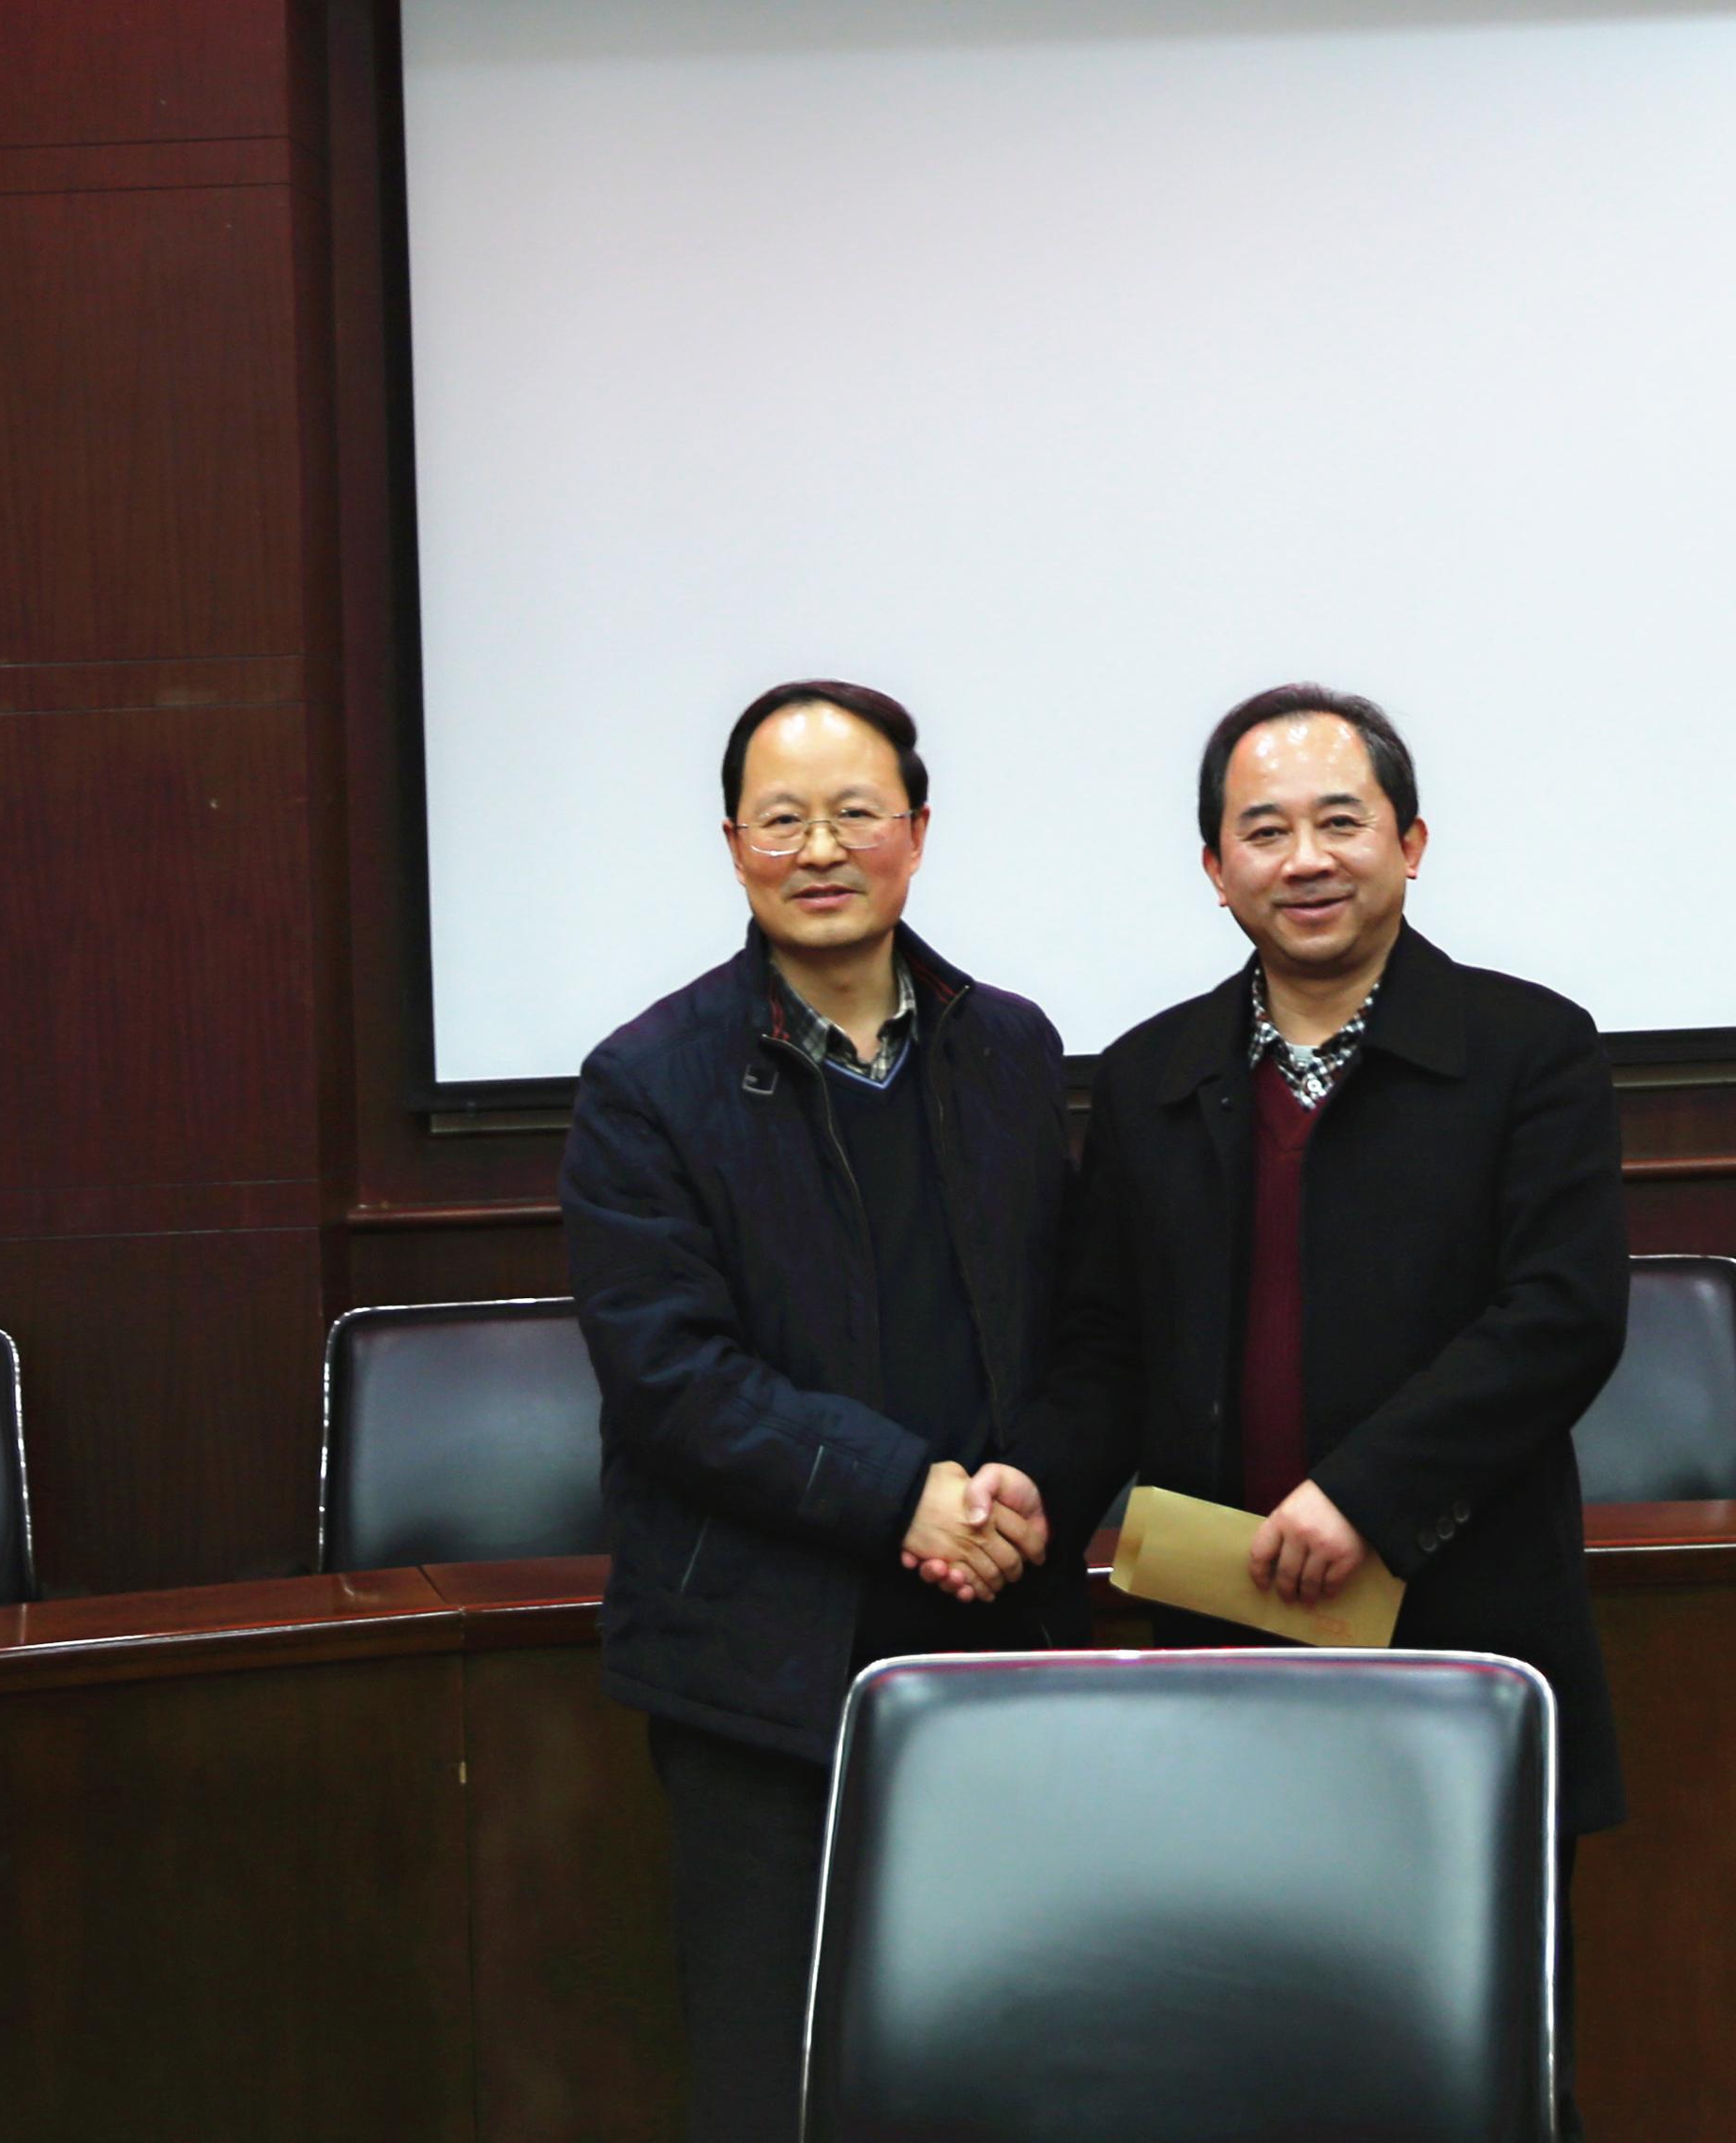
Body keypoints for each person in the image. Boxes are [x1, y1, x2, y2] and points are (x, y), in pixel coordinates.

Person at [1013, 682, 1629, 2105]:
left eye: (1341, 822)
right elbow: (1105, 1344)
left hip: (1462, 1632)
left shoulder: (1529, 1049)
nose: (1306, 859)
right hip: (1221, 1642)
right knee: (1242, 2054)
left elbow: (1562, 1317)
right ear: (1214, 866)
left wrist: (1367, 1496)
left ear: (1411, 842)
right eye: (1265, 829)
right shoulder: (1153, 1075)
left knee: (1472, 2058)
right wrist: (1035, 1487)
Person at [562, 679, 1070, 2143]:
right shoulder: (645, 1083)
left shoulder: (1013, 1050)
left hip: (995, 1633)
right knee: (775, 2083)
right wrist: (901, 1491)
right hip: (761, 1666)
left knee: (1009, 2058)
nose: (823, 847)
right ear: (734, 844)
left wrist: (1021, 1485)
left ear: (918, 829)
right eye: (783, 819)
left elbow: (1067, 1322)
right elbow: (669, 1374)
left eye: (857, 812)